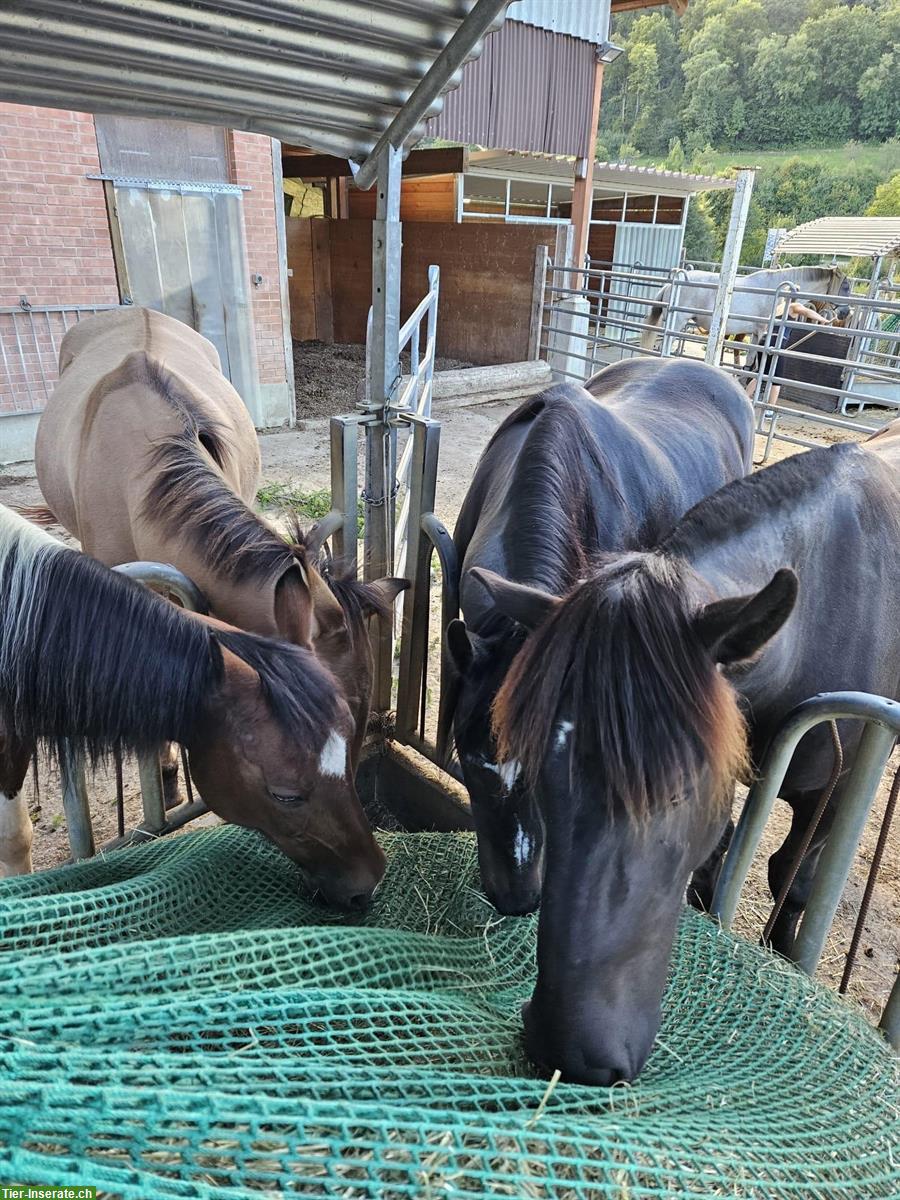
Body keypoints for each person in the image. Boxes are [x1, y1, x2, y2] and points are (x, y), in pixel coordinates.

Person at [743, 299, 830, 407]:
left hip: (764, 341)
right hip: (777, 342)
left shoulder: (777, 308)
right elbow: (807, 312)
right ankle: (770, 409)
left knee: (761, 374)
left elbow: (766, 327)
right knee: (776, 379)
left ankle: (743, 400)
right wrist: (823, 319)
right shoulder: (793, 306)